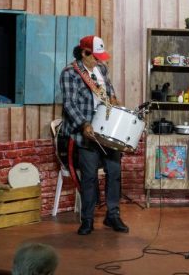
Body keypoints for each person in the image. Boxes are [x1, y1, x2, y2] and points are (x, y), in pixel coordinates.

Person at [59, 35, 128, 235]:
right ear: (84, 53)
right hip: (86, 133)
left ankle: (112, 215)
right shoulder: (70, 73)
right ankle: (87, 219)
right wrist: (84, 124)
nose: (99, 61)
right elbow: (69, 104)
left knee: (114, 173)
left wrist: (115, 102)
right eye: (95, 57)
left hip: (108, 131)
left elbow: (110, 93)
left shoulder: (102, 70)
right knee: (89, 177)